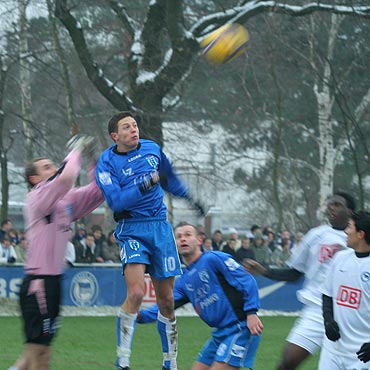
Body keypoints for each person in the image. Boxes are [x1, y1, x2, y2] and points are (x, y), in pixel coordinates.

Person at [95, 111, 204, 370]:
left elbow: (169, 180)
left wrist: (190, 198)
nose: (133, 129)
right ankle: (122, 361)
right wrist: (147, 183)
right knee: (136, 293)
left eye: (134, 125)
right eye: (126, 127)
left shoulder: (152, 149)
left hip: (160, 229)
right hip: (131, 229)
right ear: (115, 136)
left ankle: (170, 363)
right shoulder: (107, 162)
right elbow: (116, 201)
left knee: (166, 301)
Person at [8, 135, 104, 370]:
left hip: (52, 283)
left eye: (53, 164)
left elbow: (100, 189)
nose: (54, 168)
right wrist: (75, 150)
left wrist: (94, 159)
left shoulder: (65, 201)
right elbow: (67, 176)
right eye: (46, 167)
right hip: (38, 285)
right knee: (39, 354)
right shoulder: (38, 196)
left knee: (36, 354)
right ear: (34, 179)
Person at [244, 191, 356, 370]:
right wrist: (264, 271)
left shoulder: (359, 238)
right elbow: (295, 273)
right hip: (317, 310)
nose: (331, 207)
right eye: (330, 204)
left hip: (350, 312)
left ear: (350, 211)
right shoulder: (316, 235)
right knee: (288, 361)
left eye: (337, 204)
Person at [137, 222, 263, 370]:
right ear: (175, 244)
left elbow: (247, 280)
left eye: (188, 235)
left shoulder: (214, 259)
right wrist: (140, 316)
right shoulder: (183, 281)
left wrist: (251, 313)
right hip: (220, 334)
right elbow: (166, 305)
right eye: (178, 237)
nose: (183, 239)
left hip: (240, 328)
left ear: (199, 240)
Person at [318, 210, 370, 370]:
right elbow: (327, 295)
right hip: (333, 351)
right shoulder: (340, 258)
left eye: (349, 227)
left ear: (361, 234)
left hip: (361, 355)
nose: (346, 231)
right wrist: (328, 320)